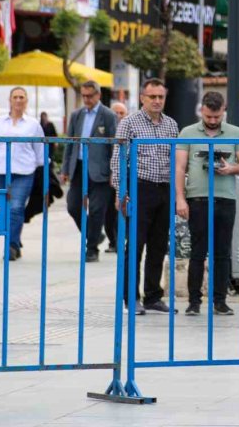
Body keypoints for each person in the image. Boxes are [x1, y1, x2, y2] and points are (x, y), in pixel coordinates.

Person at [111, 79, 179, 315]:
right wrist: (121, 192)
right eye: (152, 97)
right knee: (135, 246)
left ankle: (153, 296)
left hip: (165, 188)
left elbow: (177, 161)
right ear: (142, 98)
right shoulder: (129, 123)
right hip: (140, 187)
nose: (157, 101)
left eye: (161, 97)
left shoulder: (171, 125)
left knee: (159, 246)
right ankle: (131, 299)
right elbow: (118, 159)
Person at [175, 91, 239, 316]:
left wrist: (231, 169)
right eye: (209, 117)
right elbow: (179, 167)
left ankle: (220, 301)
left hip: (225, 198)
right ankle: (194, 301)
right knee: (197, 251)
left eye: (217, 117)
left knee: (223, 253)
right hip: (198, 198)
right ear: (202, 111)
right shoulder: (187, 132)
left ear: (223, 111)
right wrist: (180, 198)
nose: (213, 121)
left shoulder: (236, 132)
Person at [0, 87, 45, 261]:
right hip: (0, 171)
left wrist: (43, 169)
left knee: (16, 207)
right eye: (15, 97)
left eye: (22, 97)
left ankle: (11, 246)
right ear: (9, 100)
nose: (18, 100)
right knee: (5, 208)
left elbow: (40, 151)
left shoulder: (33, 124)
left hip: (24, 172)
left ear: (26, 101)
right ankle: (15, 240)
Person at [61, 80, 117, 262]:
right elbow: (70, 142)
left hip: (101, 171)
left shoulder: (108, 115)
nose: (86, 99)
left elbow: (114, 145)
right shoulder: (77, 115)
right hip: (78, 167)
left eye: (90, 96)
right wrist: (65, 168)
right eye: (83, 96)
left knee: (96, 209)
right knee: (73, 205)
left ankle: (91, 248)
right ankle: (93, 234)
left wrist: (113, 172)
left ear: (98, 95)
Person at [103, 102, 129, 254]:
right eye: (116, 113)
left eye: (121, 113)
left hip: (124, 176)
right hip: (104, 176)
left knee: (122, 208)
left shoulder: (129, 130)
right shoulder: (106, 129)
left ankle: (121, 241)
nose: (118, 116)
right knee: (108, 212)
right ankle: (113, 240)